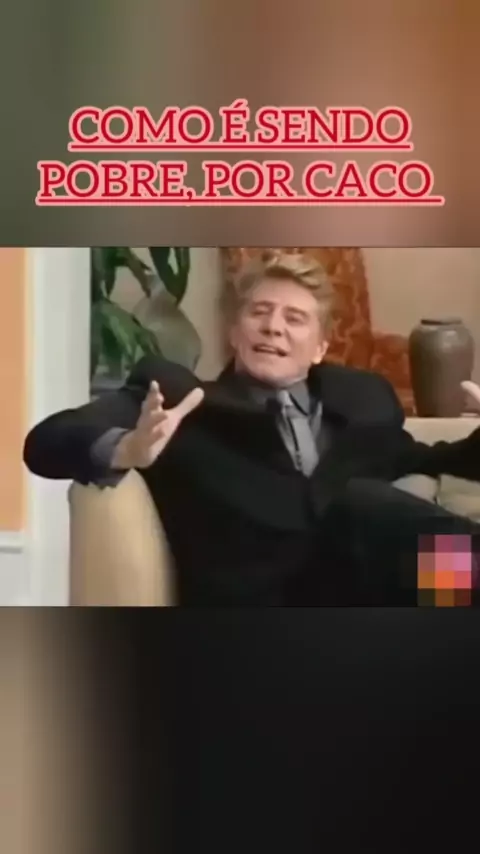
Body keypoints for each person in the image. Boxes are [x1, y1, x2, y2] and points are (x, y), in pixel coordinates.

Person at [23, 251, 480, 606]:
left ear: (320, 347)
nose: (273, 328)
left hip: (377, 598)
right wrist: (124, 447)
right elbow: (47, 440)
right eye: (259, 312)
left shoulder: (361, 400)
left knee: (384, 521)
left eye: (294, 318)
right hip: (261, 617)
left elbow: (424, 460)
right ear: (235, 332)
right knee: (364, 505)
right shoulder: (179, 398)